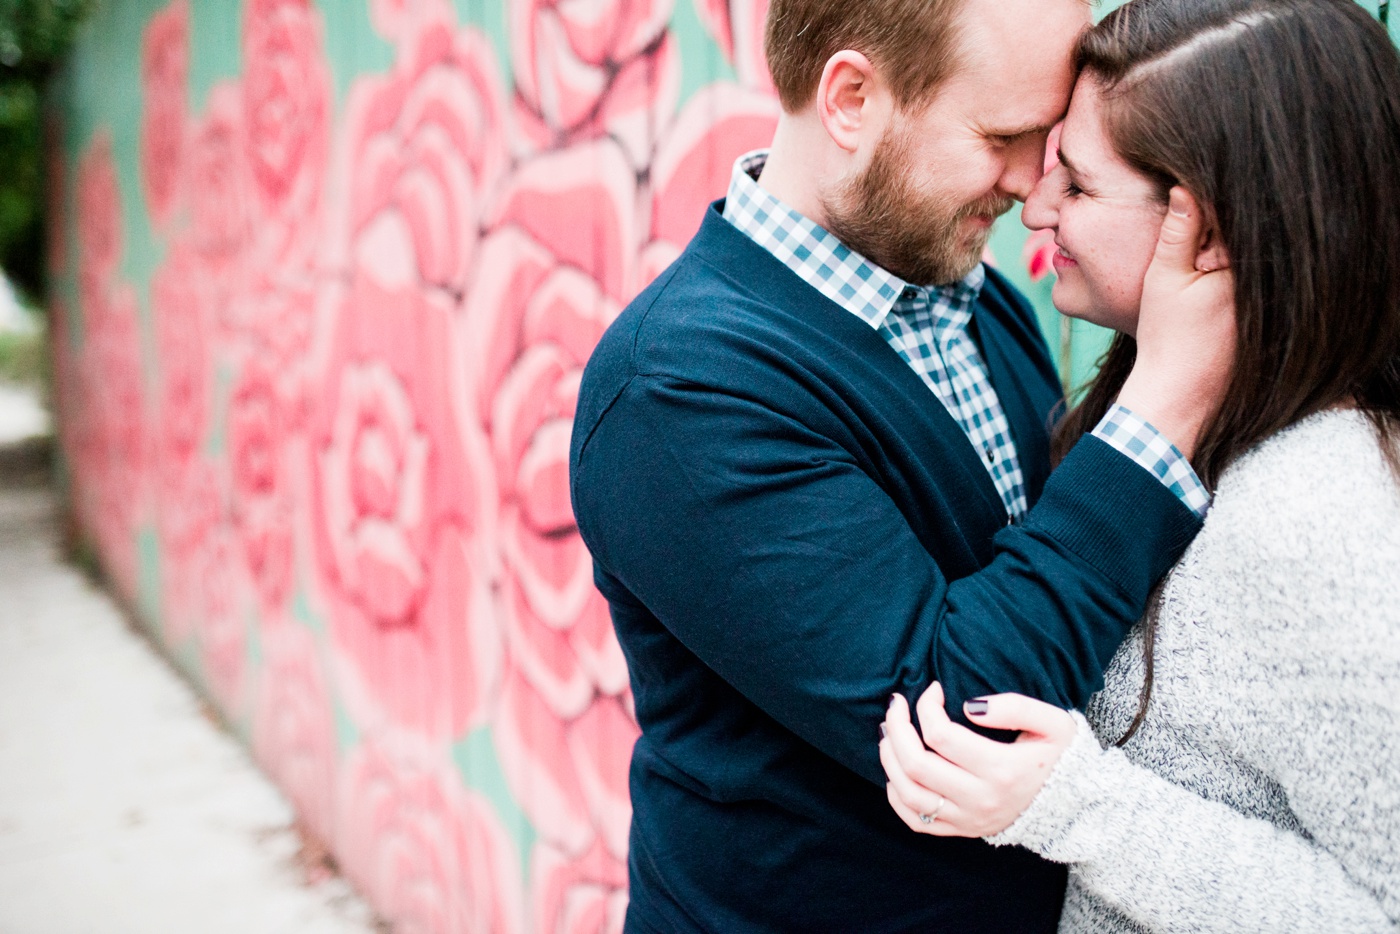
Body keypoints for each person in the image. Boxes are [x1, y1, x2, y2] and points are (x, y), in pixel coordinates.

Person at [569, 0, 1235, 929]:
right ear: (850, 98)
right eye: (1003, 136)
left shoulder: (970, 298)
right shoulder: (680, 389)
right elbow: (955, 722)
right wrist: (1164, 401)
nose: (1029, 186)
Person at [879, 1, 1400, 930]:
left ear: (1203, 230)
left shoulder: (1315, 509)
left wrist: (1078, 805)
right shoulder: (1197, 436)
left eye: (1075, 185)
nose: (1034, 207)